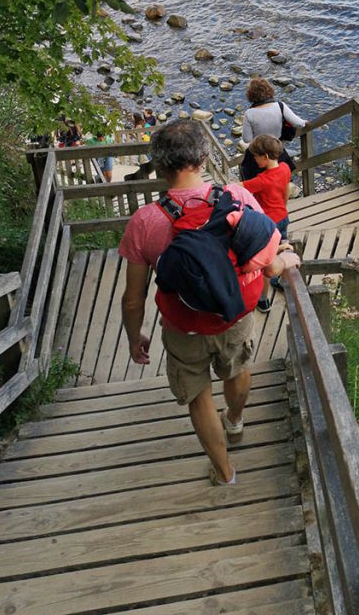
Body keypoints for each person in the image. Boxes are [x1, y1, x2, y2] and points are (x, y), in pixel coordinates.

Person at [119, 120, 300, 486]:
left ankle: (225, 472)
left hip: (182, 326)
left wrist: (133, 335)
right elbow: (264, 257)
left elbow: (132, 298)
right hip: (233, 315)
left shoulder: (144, 221)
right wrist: (283, 261)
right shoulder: (237, 198)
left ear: (158, 165)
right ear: (202, 159)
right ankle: (235, 419)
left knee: (198, 397)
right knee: (236, 368)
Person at [240, 135, 291, 313]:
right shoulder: (285, 168)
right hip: (283, 217)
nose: (254, 160)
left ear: (266, 157)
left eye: (255, 157)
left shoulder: (262, 180)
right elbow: (286, 191)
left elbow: (237, 187)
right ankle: (285, 281)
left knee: (266, 261)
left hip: (268, 225)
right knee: (284, 250)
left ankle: (262, 300)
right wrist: (283, 207)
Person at [240, 78, 307, 179]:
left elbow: (247, 139)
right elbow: (299, 123)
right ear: (269, 90)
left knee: (255, 179)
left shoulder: (249, 113)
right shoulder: (280, 106)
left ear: (250, 95)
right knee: (280, 177)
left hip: (258, 153)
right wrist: (305, 122)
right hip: (276, 150)